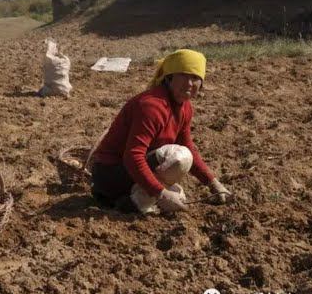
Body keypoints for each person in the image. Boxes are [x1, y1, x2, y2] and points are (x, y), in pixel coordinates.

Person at [89, 49, 231, 214]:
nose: (189, 83)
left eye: (195, 78)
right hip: (110, 175)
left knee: (179, 193)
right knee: (179, 157)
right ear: (169, 78)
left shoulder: (185, 107)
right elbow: (133, 155)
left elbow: (188, 145)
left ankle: (134, 198)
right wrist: (161, 194)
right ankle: (129, 203)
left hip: (128, 172)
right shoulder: (151, 106)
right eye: (183, 76)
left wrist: (213, 183)